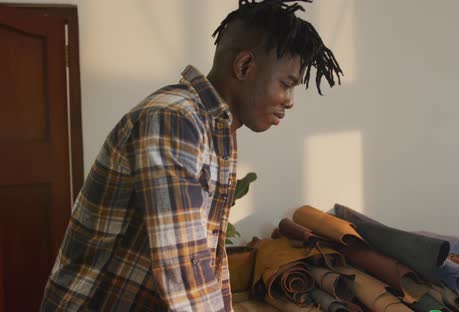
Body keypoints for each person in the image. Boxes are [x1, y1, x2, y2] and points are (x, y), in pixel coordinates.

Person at [40, 0, 342, 311]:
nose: (290, 101)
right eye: (286, 84)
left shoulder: (214, 129)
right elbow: (183, 267)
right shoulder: (174, 119)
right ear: (244, 66)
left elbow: (206, 260)